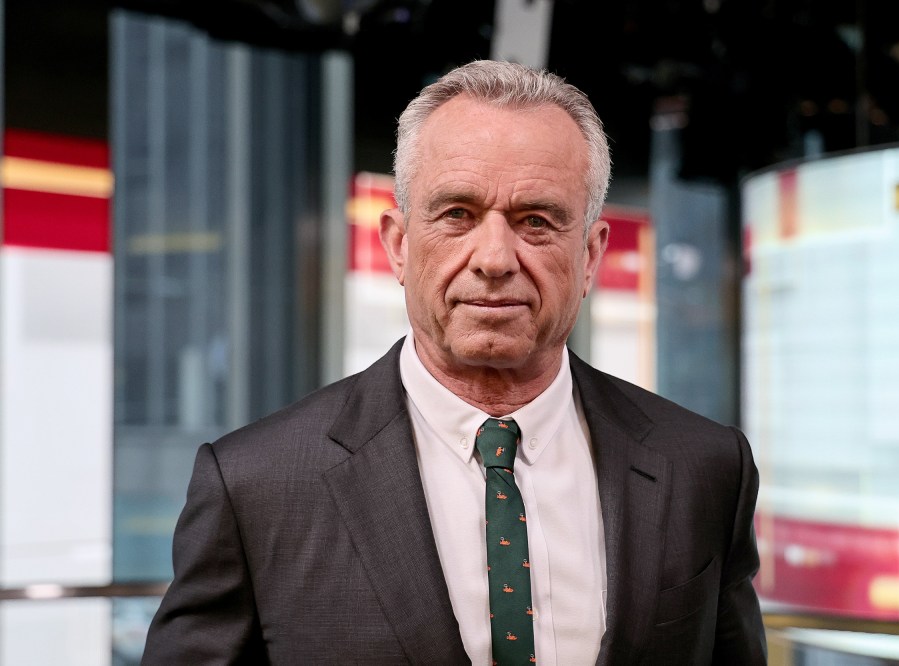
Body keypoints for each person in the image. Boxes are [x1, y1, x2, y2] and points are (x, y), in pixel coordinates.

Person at [141, 59, 766, 665]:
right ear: (399, 244)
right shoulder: (256, 485)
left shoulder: (705, 469)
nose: (494, 257)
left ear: (591, 255)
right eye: (458, 215)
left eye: (537, 220)